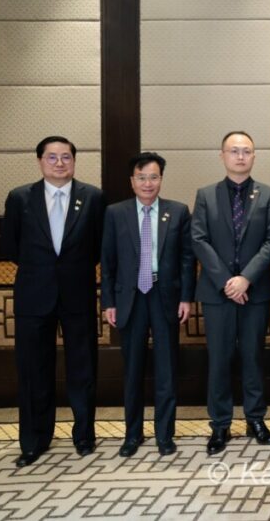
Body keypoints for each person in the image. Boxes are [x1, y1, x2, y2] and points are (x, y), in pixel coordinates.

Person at [1, 136, 105, 467]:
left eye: (65, 157)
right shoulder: (20, 197)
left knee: (83, 368)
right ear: (40, 161)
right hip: (34, 296)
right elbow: (11, 247)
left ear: (74, 161)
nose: (59, 163)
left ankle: (84, 436)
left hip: (78, 294)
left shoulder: (93, 197)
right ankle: (34, 440)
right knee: (33, 370)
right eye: (52, 157)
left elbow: (99, 246)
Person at [191, 131, 270, 454]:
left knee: (253, 356)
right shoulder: (206, 195)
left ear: (254, 156)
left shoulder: (269, 195)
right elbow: (199, 239)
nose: (240, 156)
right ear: (222, 156)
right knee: (219, 359)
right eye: (234, 151)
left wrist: (245, 279)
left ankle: (255, 418)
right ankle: (220, 424)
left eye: (246, 151)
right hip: (217, 293)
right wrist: (226, 282)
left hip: (254, 291)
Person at [101, 152, 195, 457]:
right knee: (132, 370)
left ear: (161, 179)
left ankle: (164, 435)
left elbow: (186, 259)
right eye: (141, 177)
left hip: (164, 295)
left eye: (153, 177)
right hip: (130, 298)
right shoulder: (115, 213)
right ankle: (133, 435)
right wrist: (109, 301)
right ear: (132, 181)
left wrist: (186, 297)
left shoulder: (177, 211)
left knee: (167, 369)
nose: (147, 183)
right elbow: (107, 260)